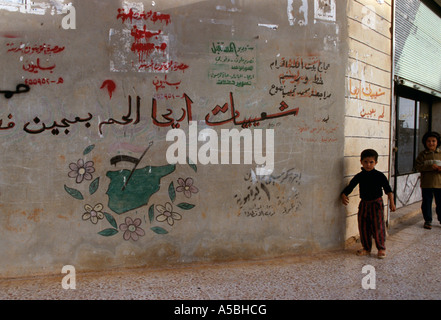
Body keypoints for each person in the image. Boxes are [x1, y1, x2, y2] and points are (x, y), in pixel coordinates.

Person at [341, 149, 396, 259]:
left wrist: (392, 203)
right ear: (361, 162)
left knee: (378, 226)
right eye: (365, 162)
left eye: (371, 162)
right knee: (363, 226)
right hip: (364, 204)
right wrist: (343, 195)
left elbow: (388, 190)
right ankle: (366, 248)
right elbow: (350, 186)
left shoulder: (380, 176)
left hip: (377, 204)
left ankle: (381, 248)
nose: (368, 164)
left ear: (376, 163)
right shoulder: (360, 176)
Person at [415, 131, 441, 230]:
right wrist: (430, 167)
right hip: (427, 183)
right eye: (429, 141)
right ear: (425, 143)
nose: (431, 143)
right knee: (426, 203)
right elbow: (418, 166)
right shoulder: (423, 155)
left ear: (437, 142)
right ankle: (428, 220)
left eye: (433, 141)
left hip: (439, 184)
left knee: (440, 203)